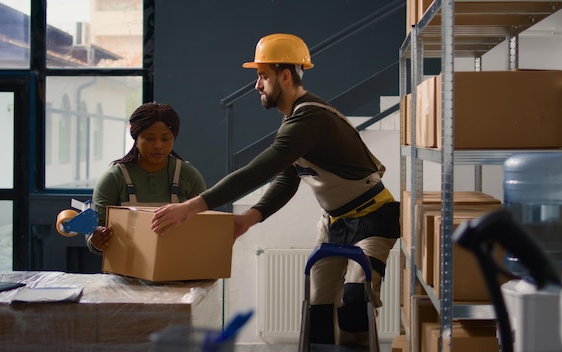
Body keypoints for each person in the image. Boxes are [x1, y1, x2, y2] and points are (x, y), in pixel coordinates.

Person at [150, 33, 400, 346]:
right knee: (318, 307)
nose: (257, 85)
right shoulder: (294, 121)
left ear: (285, 76)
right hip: (335, 222)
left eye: (262, 76)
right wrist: (249, 219)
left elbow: (258, 170)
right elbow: (286, 178)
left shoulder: (310, 118)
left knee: (354, 304)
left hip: (374, 219)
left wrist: (190, 207)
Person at [86, 102, 207, 254]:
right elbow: (94, 231)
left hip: (178, 271)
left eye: (165, 139)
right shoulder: (114, 178)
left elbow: (204, 225)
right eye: (149, 138)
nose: (157, 145)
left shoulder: (188, 175)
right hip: (126, 275)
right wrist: (97, 241)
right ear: (136, 138)